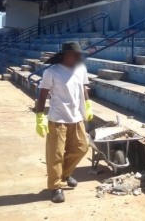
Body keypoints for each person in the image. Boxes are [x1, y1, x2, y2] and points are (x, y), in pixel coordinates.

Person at [35, 41, 93, 203]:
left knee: (81, 147)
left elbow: (84, 89)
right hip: (58, 118)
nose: (78, 57)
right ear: (65, 55)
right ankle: (55, 187)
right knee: (56, 155)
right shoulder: (51, 72)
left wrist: (88, 106)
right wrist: (39, 118)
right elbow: (42, 95)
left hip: (76, 117)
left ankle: (65, 174)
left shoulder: (81, 69)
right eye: (75, 54)